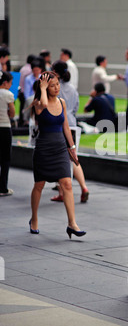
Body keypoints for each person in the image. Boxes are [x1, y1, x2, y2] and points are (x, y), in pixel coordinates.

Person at [29, 72, 85, 239]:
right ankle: (34, 219)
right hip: (43, 149)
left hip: (60, 148)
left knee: (67, 184)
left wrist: (72, 147)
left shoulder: (62, 102)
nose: (56, 88)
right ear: (44, 87)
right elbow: (45, 104)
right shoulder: (38, 103)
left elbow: (66, 127)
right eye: (52, 85)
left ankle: (72, 223)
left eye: (57, 85)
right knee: (39, 185)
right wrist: (43, 88)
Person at [50, 60, 89, 204]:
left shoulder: (55, 88)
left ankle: (64, 192)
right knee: (73, 158)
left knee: (60, 159)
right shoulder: (72, 88)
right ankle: (83, 187)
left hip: (60, 126)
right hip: (72, 124)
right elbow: (76, 106)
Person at [0, 71, 15, 197]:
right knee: (5, 159)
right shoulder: (8, 94)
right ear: (5, 83)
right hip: (4, 128)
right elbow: (12, 113)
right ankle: (3, 187)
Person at [18, 54, 36, 126]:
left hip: (22, 92)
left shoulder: (23, 68)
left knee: (22, 109)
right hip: (27, 94)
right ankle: (24, 123)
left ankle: (21, 122)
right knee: (27, 110)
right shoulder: (29, 71)